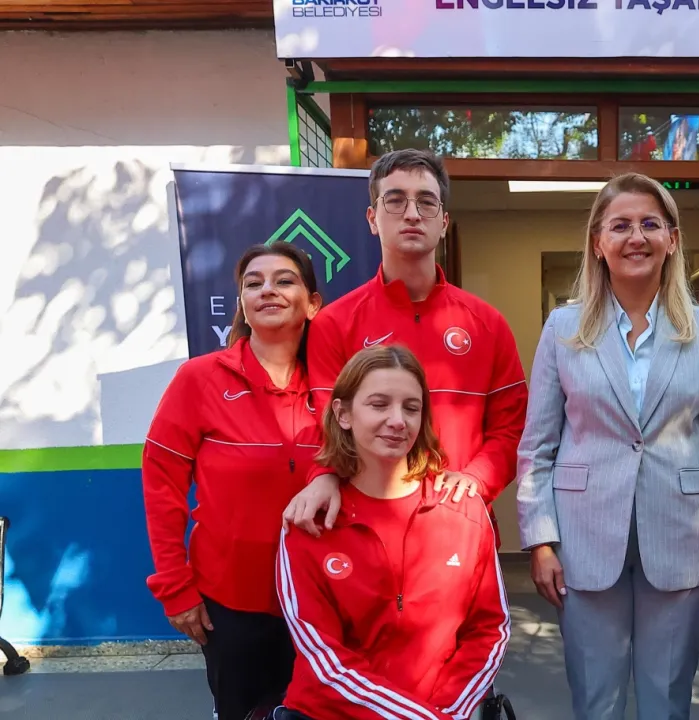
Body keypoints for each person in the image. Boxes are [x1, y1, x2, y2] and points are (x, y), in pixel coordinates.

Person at [515, 172, 699, 720]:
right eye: (620, 226)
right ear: (598, 242)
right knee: (596, 700)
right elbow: (537, 446)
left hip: (678, 535)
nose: (636, 237)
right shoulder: (563, 328)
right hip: (583, 540)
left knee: (667, 702)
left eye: (650, 224)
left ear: (672, 239)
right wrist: (540, 540)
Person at [284, 147, 528, 534]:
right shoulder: (334, 323)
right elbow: (325, 423)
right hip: (362, 529)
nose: (412, 214)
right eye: (395, 200)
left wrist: (478, 478)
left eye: (426, 202)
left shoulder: (487, 323)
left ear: (444, 222)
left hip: (460, 525)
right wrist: (323, 474)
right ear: (372, 218)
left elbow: (513, 428)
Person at [275, 345, 509, 720]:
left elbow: (489, 630)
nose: (398, 421)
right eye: (379, 404)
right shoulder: (308, 523)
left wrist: (446, 712)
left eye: (411, 408)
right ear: (343, 414)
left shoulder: (464, 510)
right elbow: (325, 660)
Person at [142, 243, 322, 720]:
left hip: (325, 598)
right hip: (232, 602)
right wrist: (175, 587)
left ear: (313, 303)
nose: (268, 290)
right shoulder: (199, 379)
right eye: (253, 283)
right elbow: (161, 486)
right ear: (242, 302)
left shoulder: (339, 385)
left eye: (284, 280)